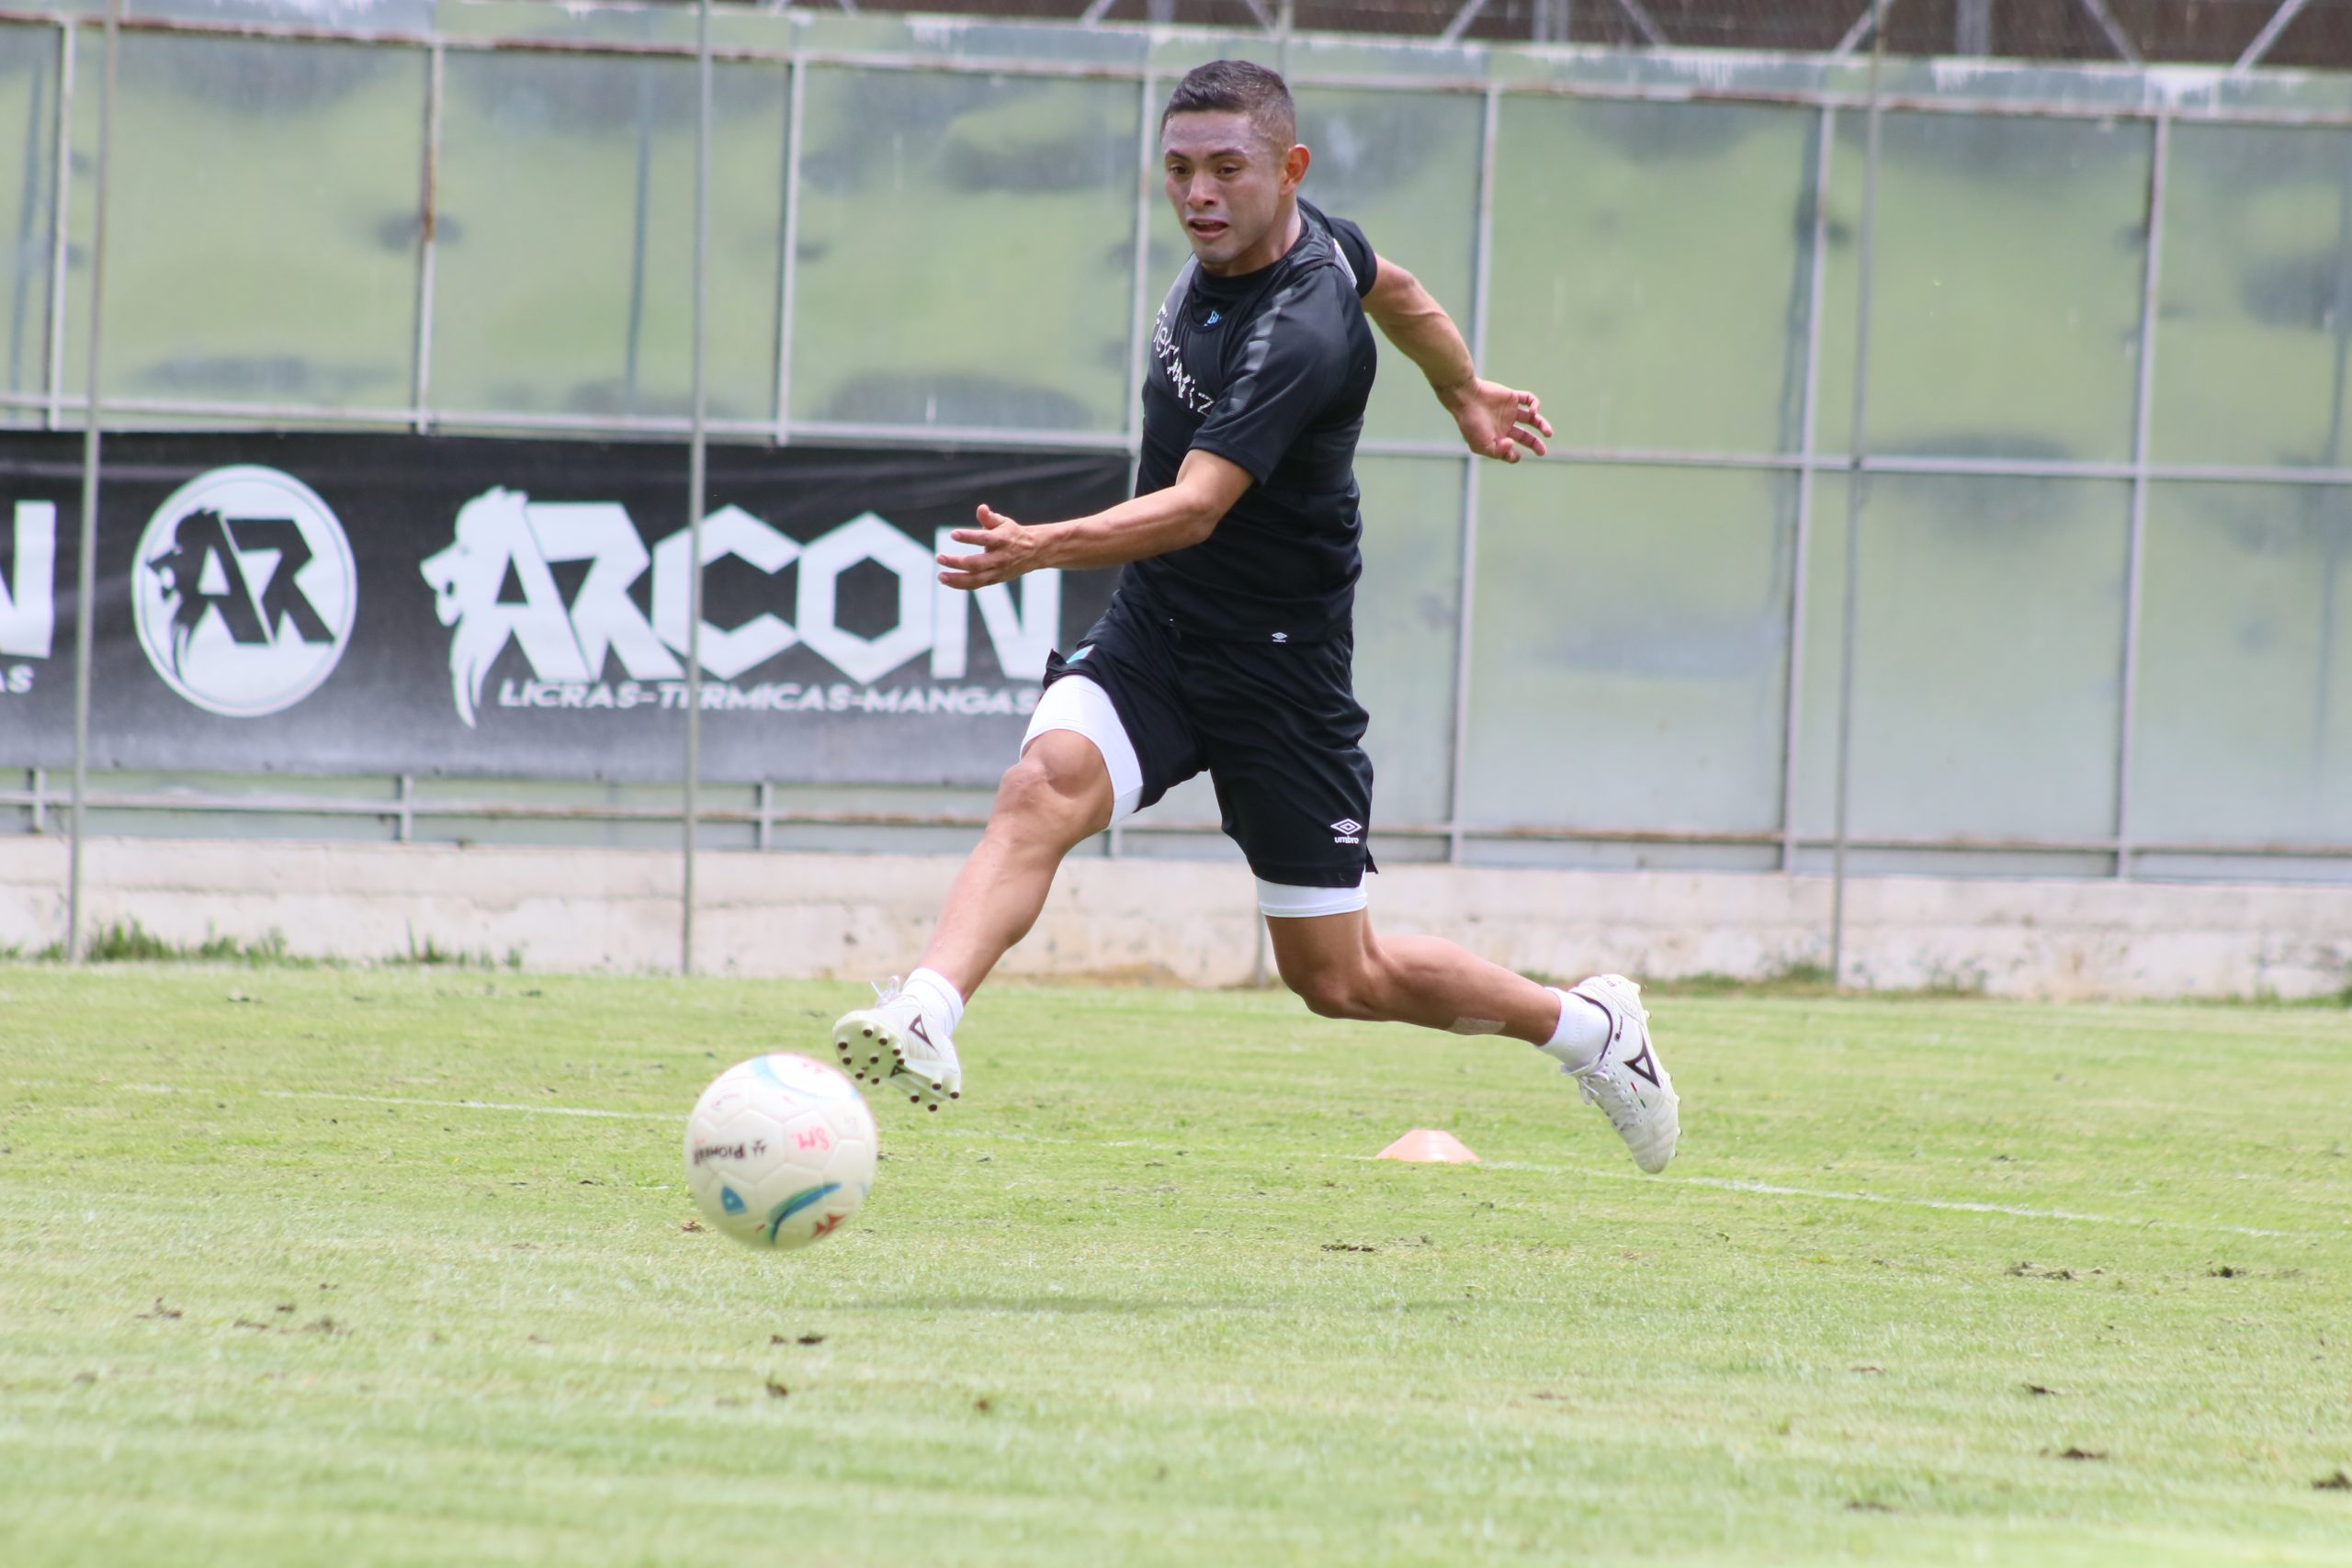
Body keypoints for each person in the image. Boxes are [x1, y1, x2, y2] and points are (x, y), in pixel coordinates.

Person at [833, 59, 1678, 1172]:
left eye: (1227, 170)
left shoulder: (1297, 332)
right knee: (1044, 786)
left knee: (1339, 980)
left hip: (1279, 674)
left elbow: (1192, 509)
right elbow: (1404, 289)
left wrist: (1042, 548)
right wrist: (1461, 389)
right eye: (1180, 169)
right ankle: (927, 1012)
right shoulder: (1311, 239)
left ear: (1289, 170)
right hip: (1158, 632)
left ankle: (1589, 1030)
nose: (1198, 193)